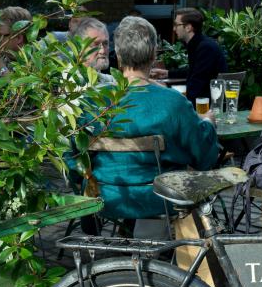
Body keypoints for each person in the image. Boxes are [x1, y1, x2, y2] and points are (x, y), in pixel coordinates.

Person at [78, 15, 219, 230]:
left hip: (106, 197)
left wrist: (83, 187)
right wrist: (208, 124)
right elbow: (204, 157)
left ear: (119, 55)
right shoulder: (173, 103)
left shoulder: (93, 102)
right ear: (153, 54)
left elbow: (74, 158)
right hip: (161, 199)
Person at [151, 8, 226, 103]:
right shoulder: (198, 44)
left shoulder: (205, 48)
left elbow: (197, 85)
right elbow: (194, 72)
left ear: (188, 27)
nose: (174, 29)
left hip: (205, 105)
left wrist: (167, 91)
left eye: (177, 25)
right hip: (200, 100)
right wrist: (167, 73)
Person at [69, 17, 113, 84]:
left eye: (105, 44)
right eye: (95, 45)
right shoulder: (69, 84)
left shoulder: (111, 80)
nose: (102, 51)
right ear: (78, 47)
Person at [0, 6, 31, 76]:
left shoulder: (35, 62)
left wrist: (1, 70)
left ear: (19, 38)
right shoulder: (3, 59)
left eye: (3, 36)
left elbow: (21, 86)